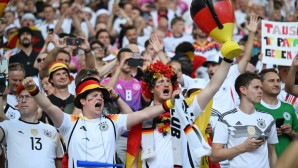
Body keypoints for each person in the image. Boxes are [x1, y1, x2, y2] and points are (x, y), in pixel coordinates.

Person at [21, 76, 178, 168]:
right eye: (94, 95)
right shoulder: (70, 122)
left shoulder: (113, 121)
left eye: (101, 96)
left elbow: (143, 114)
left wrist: (168, 104)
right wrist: (33, 90)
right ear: (82, 100)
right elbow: (48, 107)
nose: (100, 99)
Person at [128, 52, 233, 167]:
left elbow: (213, 87)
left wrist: (227, 60)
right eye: (161, 82)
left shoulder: (186, 110)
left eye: (169, 82)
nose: (166, 85)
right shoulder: (143, 117)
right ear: (151, 89)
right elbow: (134, 157)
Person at [211, 72, 278, 168]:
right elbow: (214, 156)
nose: (260, 91)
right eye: (256, 87)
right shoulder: (226, 118)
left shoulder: (268, 118)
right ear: (243, 90)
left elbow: (272, 154)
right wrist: (244, 147)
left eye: (261, 88)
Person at [0, 84, 63, 168]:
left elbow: (59, 160)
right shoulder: (7, 126)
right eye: (20, 97)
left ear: (38, 103)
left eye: (27, 97)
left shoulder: (51, 130)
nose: (23, 100)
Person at [255, 68, 298, 157]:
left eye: (278, 81)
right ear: (261, 84)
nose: (276, 84)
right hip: (263, 163)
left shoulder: (288, 107)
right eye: (271, 81)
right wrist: (269, 134)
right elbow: (245, 139)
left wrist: (291, 132)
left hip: (288, 162)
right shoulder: (254, 108)